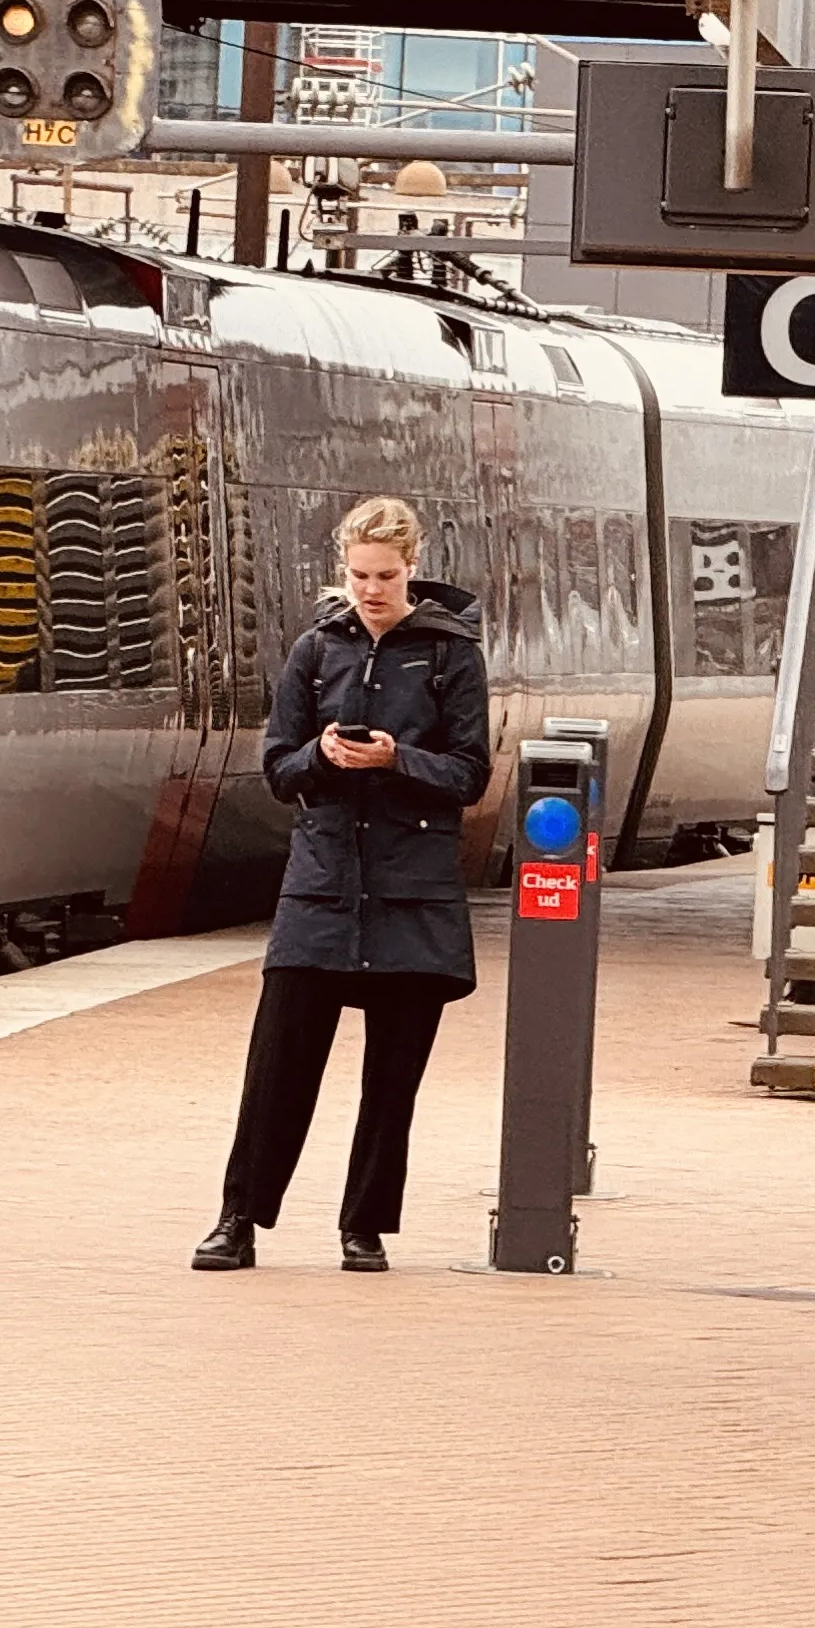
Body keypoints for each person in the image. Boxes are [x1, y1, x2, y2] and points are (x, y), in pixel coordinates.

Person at [194, 495, 494, 1274]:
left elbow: (470, 774)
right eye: (359, 575)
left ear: (413, 569)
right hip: (322, 885)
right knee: (277, 1067)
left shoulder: (451, 652)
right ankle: (238, 1218)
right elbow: (277, 769)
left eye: (386, 575)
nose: (371, 589)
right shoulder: (315, 650)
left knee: (392, 1081)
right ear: (343, 570)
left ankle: (364, 1227)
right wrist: (324, 757)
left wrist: (398, 759)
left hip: (412, 890)